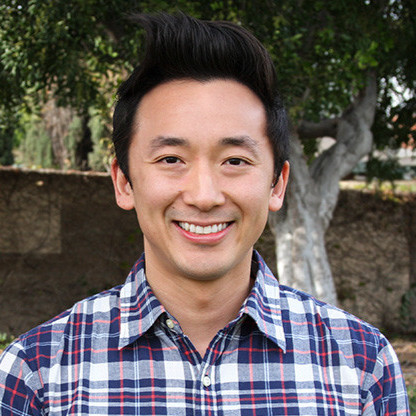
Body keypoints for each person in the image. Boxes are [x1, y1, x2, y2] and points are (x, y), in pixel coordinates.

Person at [0, 12, 409, 416]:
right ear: (124, 181)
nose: (204, 196)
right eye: (171, 159)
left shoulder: (362, 366)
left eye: (234, 161)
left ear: (277, 184)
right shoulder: (38, 375)